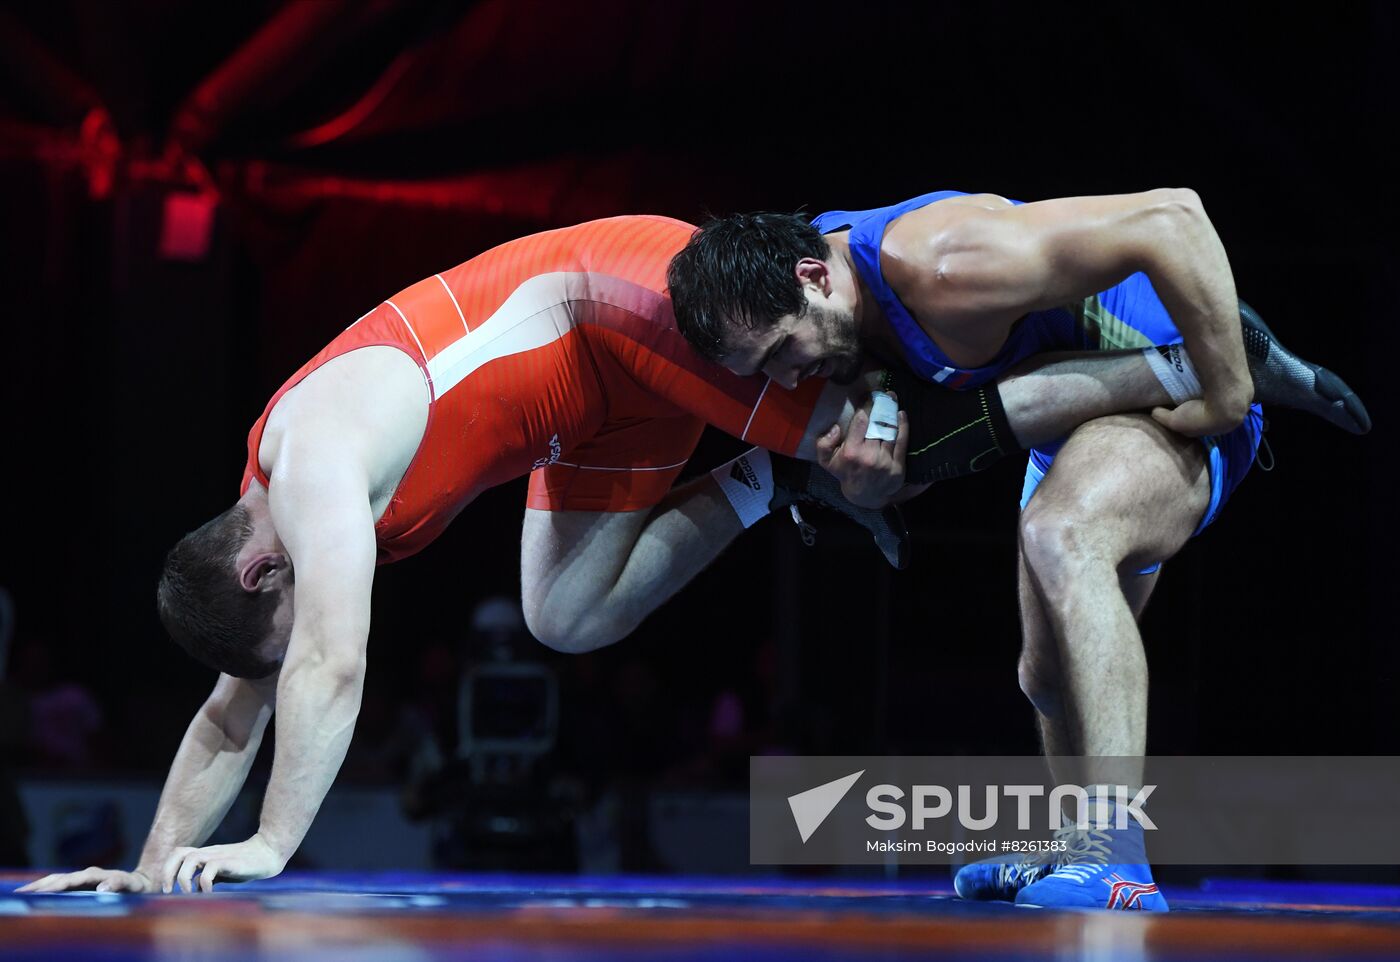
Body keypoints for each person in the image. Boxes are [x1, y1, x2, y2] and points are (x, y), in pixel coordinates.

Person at [17, 210, 1341, 897]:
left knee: (882, 442)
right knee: (565, 619)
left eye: (283, 608)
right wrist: (150, 867)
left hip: (623, 303)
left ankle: (1183, 357)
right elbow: (237, 702)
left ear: (257, 566)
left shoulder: (305, 463)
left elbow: (329, 659)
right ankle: (769, 483)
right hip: (583, 403)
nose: (305, 600)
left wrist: (268, 849)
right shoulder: (264, 546)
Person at [666, 189, 1370, 911]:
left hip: (1170, 397)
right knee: (1044, 673)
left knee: (1063, 532)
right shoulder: (813, 283)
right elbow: (914, 450)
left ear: (814, 279)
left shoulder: (950, 260)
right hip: (1070, 418)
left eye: (784, 351)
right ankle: (1073, 850)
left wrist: (1222, 394)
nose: (786, 379)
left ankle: (1117, 857)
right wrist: (874, 476)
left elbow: (1175, 217)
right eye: (764, 370)